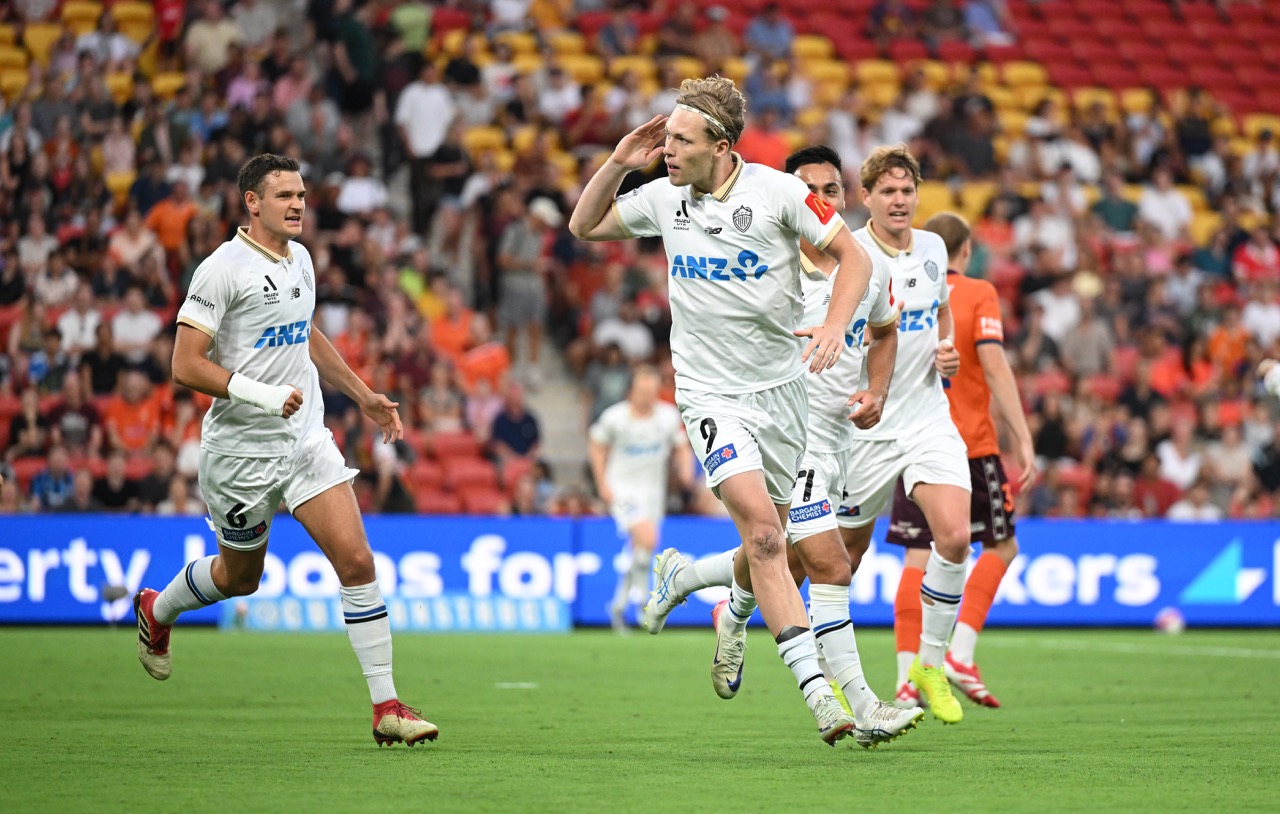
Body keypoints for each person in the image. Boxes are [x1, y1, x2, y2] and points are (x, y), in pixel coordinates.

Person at [568, 77, 875, 746]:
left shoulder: (779, 194)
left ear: (722, 146)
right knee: (765, 537)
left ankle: (691, 581)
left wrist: (833, 325)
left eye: (681, 140)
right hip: (709, 395)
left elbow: (854, 259)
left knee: (770, 542)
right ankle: (820, 697)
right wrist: (618, 162)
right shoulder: (662, 197)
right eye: (667, 140)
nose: (668, 151)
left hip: (782, 395)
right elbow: (584, 225)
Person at [132, 154, 437, 747]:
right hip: (240, 456)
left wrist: (364, 395)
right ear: (252, 202)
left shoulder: (301, 259)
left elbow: (306, 333)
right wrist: (262, 395)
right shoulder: (221, 270)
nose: (298, 205)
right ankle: (156, 609)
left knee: (358, 563)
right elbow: (184, 364)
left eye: (301, 195)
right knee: (239, 578)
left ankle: (387, 707)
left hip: (304, 442)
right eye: (284, 196)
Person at [636, 145, 924, 748]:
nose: (820, 198)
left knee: (777, 558)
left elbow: (885, 331)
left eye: (830, 189)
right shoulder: (764, 256)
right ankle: (862, 706)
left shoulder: (864, 266)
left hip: (837, 440)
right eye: (808, 189)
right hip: (784, 434)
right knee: (829, 564)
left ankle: (696, 585)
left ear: (843, 197)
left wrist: (876, 390)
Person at [884, 212, 1038, 710]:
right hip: (968, 444)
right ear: (966, 250)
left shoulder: (902, 284)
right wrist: (1022, 437)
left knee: (916, 556)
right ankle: (960, 653)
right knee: (1002, 545)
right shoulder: (977, 292)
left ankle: (906, 679)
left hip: (910, 440)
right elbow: (993, 364)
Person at [587, 365, 692, 633]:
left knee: (642, 551)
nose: (647, 395)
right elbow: (596, 444)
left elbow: (681, 445)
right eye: (642, 390)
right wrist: (602, 484)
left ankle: (619, 606)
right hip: (621, 490)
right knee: (648, 537)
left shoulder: (668, 416)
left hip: (653, 494)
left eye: (652, 390)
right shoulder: (615, 417)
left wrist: (686, 468)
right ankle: (644, 602)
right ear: (631, 391)